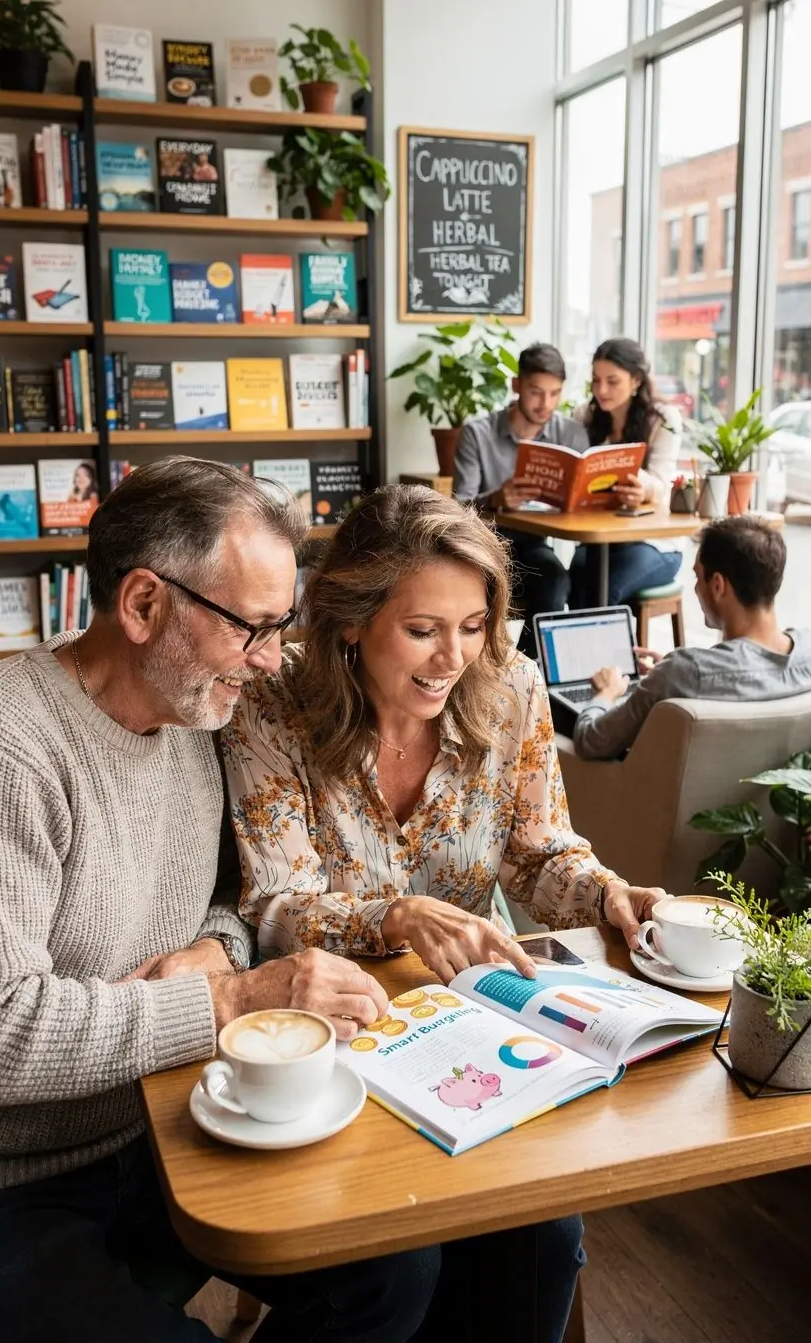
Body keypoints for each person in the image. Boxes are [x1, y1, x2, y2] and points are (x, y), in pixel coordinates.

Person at [0, 458, 440, 1343]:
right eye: (254, 628)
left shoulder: (197, 715)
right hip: (19, 1177)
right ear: (144, 606)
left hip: (169, 1125)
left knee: (399, 1261)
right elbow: (3, 1032)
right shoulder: (15, 747)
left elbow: (227, 905)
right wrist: (228, 998)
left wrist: (221, 950)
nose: (273, 661)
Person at [224, 484, 665, 1343]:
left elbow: (540, 854)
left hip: (469, 1028)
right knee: (404, 1261)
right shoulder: (272, 708)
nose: (452, 657)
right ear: (351, 619)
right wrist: (396, 916)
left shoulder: (513, 694)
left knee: (546, 1236)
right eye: (422, 630)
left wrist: (611, 893)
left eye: (473, 626)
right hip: (328, 1037)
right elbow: (274, 905)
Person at [573, 515, 811, 760]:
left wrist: (606, 693)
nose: (696, 588)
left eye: (698, 576)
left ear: (718, 585)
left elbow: (590, 741)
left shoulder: (683, 673)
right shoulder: (806, 656)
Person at [453, 343, 588, 650]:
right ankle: (508, 677)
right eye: (536, 392)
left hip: (533, 543)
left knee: (556, 579)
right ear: (517, 386)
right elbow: (459, 508)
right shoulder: (478, 433)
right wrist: (496, 498)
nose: (546, 403)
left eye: (555, 393)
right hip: (484, 546)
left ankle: (529, 679)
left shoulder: (571, 434)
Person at [568, 338, 683, 609]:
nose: (601, 389)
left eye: (612, 381)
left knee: (602, 592)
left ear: (636, 380)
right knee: (574, 586)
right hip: (599, 540)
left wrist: (644, 488)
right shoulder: (584, 415)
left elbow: (663, 484)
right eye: (596, 380)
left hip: (654, 544)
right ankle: (576, 653)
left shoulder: (663, 418)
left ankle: (614, 653)